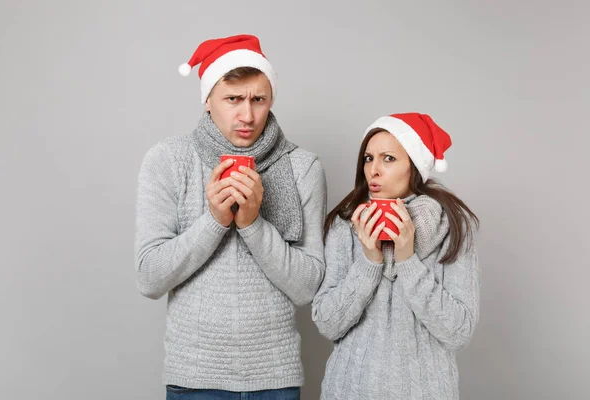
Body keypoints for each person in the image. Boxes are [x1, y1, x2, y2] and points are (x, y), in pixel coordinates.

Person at [135, 34, 327, 399]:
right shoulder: (168, 160)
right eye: (233, 99)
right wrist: (215, 221)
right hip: (194, 375)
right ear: (208, 100)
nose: (248, 115)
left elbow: (307, 287)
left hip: (275, 376)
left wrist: (254, 224)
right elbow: (149, 277)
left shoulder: (302, 167)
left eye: (259, 99)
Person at [312, 113, 480, 399]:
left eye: (388, 158)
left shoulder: (452, 225)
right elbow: (327, 323)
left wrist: (407, 259)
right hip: (349, 390)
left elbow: (458, 331)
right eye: (368, 158)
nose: (373, 170)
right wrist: (369, 261)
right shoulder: (345, 224)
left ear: (414, 166)